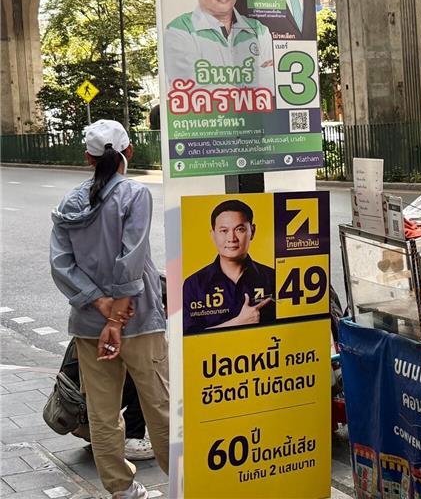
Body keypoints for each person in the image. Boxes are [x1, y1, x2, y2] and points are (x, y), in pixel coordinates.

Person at [50, 120, 169, 499]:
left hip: (89, 324)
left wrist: (98, 303)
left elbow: (61, 264)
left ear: (87, 157)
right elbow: (130, 261)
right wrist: (116, 317)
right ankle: (183, 483)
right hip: (138, 320)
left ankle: (122, 490)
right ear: (128, 153)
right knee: (159, 405)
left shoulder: (69, 203)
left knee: (102, 413)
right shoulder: (135, 194)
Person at [163, 0, 274, 89]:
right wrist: (258, 76)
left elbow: (274, 86)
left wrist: (217, 83)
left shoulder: (259, 30)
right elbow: (194, 91)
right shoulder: (179, 32)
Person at [182, 200, 276, 334]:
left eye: (240, 229)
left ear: (252, 231)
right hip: (213, 355)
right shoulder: (194, 284)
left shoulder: (273, 278)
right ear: (213, 234)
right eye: (224, 230)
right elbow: (188, 339)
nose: (232, 238)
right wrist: (238, 323)